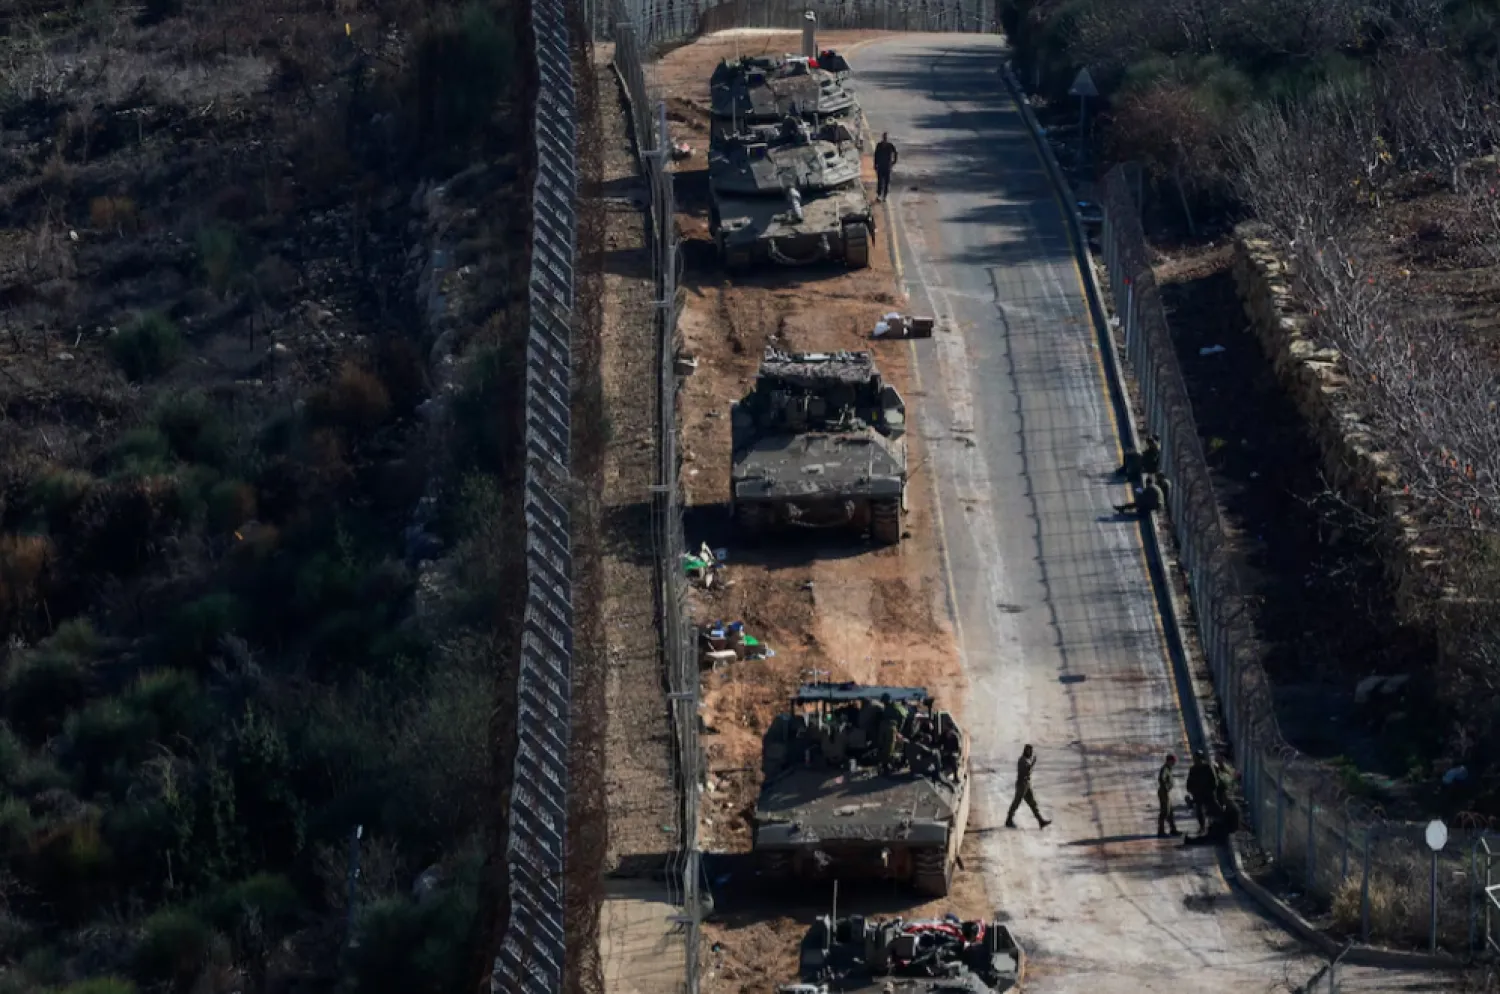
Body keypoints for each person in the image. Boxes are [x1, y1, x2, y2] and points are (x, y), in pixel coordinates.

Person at [1005, 744, 1051, 829]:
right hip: (1021, 784)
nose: (1030, 752)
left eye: (1031, 751)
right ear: (1026, 750)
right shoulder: (1022, 760)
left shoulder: (1026, 760)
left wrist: (1032, 764)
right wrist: (1032, 764)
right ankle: (1009, 820)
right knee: (1016, 802)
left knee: (1032, 803)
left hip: (1026, 784)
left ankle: (1040, 821)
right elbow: (1026, 772)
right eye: (1029, 750)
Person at [1185, 750, 1219, 835]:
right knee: (1199, 811)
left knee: (1213, 810)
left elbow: (1214, 781)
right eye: (1195, 759)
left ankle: (1215, 826)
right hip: (1198, 794)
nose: (1196, 760)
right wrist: (1190, 789)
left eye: (1197, 759)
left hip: (1208, 793)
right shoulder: (1193, 769)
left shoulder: (1207, 767)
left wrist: (1211, 790)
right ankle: (1202, 827)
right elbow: (1189, 781)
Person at [1157, 753, 1180, 837]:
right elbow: (1161, 778)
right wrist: (1166, 787)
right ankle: (1161, 831)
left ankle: (1173, 829)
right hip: (1164, 793)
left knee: (1170, 812)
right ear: (1169, 761)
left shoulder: (1168, 769)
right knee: (1165, 811)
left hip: (1165, 792)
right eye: (1173, 761)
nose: (1174, 763)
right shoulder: (1165, 769)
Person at [874, 132, 898, 202]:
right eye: (884, 137)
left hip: (887, 166)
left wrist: (894, 161)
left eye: (886, 137)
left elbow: (895, 152)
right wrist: (875, 164)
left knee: (886, 182)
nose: (885, 138)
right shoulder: (879, 145)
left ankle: (884, 195)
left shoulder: (890, 145)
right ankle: (879, 195)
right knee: (880, 181)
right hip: (880, 166)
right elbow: (876, 155)